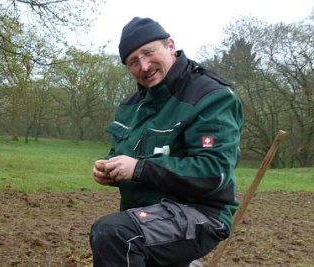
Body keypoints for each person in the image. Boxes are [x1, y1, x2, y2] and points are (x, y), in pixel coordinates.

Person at [90, 17, 243, 267]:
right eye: (133, 62)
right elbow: (123, 152)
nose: (144, 65)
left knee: (115, 235)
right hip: (147, 214)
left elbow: (213, 171)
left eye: (149, 53)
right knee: (124, 236)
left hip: (201, 214)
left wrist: (138, 168)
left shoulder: (210, 96)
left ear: (170, 46)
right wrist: (110, 167)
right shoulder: (131, 105)